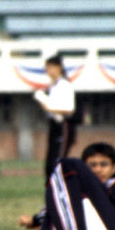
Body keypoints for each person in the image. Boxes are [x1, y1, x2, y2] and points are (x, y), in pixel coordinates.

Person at [34, 54, 76, 182]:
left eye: (50, 67)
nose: (48, 71)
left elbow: (69, 110)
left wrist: (49, 108)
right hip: (53, 124)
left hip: (63, 124)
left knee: (57, 162)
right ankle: (50, 192)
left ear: (58, 68)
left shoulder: (65, 85)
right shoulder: (53, 86)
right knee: (49, 162)